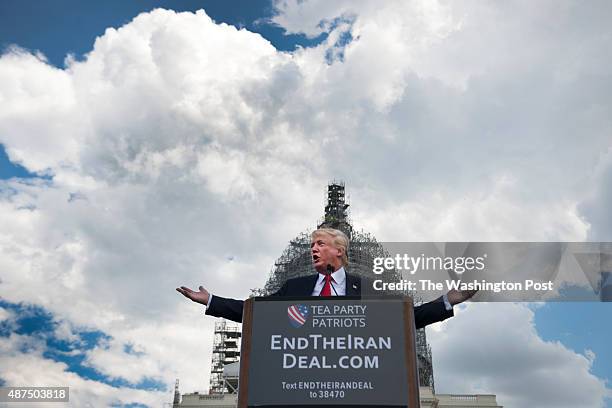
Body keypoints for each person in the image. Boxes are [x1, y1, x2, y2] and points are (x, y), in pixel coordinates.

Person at [177, 228, 476, 329]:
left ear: (339, 250)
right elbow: (257, 313)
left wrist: (446, 302)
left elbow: (403, 319)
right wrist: (212, 301)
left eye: (320, 244)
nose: (313, 249)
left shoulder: (369, 288)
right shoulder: (295, 287)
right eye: (311, 245)